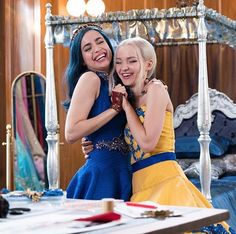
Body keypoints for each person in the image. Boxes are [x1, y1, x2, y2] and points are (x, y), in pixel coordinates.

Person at [111, 37, 234, 233]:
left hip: (166, 181)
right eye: (118, 62)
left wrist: (125, 106)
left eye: (132, 61)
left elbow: (148, 143)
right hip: (138, 186)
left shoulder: (156, 90)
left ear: (148, 64)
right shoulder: (128, 99)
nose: (124, 67)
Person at [63, 24, 132, 201]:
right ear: (83, 60)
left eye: (100, 42)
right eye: (88, 48)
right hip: (102, 175)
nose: (97, 49)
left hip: (126, 170)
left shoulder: (121, 79)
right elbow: (71, 132)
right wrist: (114, 109)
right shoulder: (90, 78)